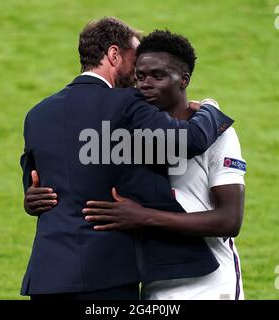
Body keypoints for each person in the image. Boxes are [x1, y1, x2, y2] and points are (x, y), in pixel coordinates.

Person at [20, 18, 234, 300]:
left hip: (47, 277)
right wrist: (210, 109)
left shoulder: (37, 113)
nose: (138, 74)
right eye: (135, 59)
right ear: (113, 55)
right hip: (106, 277)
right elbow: (189, 140)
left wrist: (29, 199)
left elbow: (35, 183)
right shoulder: (126, 102)